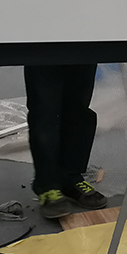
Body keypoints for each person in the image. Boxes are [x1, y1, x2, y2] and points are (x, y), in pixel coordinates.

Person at [24, 64, 108, 219]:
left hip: (82, 50)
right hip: (42, 51)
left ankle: (71, 177)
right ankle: (47, 185)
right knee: (45, 110)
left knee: (78, 107)